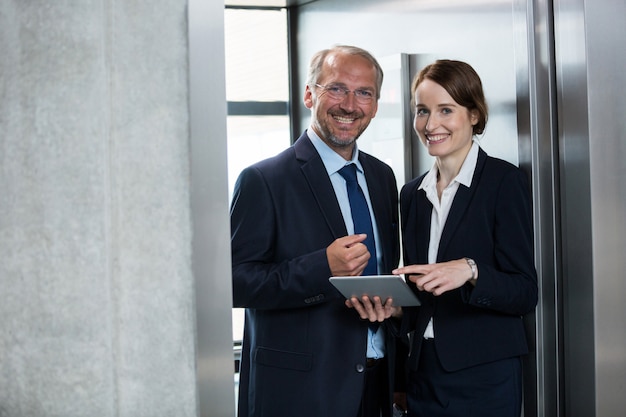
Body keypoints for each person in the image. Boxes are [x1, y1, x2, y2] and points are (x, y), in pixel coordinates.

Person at [231, 45, 401, 417]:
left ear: (374, 104)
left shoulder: (382, 178)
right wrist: (322, 267)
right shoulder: (263, 180)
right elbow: (234, 282)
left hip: (375, 385)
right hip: (301, 393)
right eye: (337, 88)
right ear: (309, 94)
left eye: (364, 93)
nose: (350, 105)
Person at [391, 60, 538, 417]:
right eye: (422, 111)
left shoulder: (504, 183)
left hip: (484, 377)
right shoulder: (412, 194)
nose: (430, 124)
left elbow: (524, 292)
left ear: (473, 114)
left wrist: (471, 270)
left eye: (446, 110)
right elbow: (419, 295)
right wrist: (394, 306)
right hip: (423, 375)